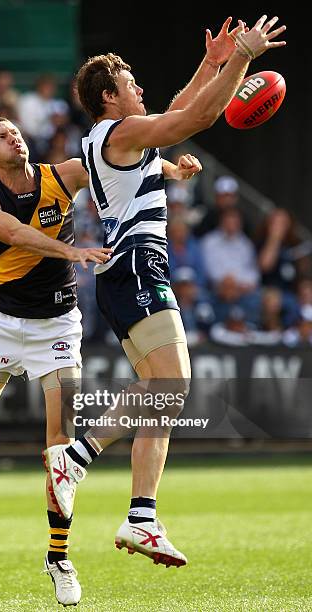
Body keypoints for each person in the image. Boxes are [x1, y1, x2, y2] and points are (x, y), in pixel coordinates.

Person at [43, 15, 286, 571]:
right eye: (130, 84)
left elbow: (177, 111)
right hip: (135, 266)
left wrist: (211, 62)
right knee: (172, 386)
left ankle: (140, 515)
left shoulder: (118, 138)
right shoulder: (119, 133)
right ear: (108, 97)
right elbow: (195, 116)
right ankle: (79, 463)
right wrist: (243, 58)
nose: (140, 89)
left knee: (161, 392)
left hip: (126, 271)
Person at [0, 116, 112, 607]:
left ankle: (58, 557)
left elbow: (120, 158)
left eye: (15, 130)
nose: (13, 137)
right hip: (3, 323)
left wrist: (171, 169)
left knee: (61, 446)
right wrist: (70, 251)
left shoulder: (64, 175)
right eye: (0, 136)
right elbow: (11, 232)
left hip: (57, 325)